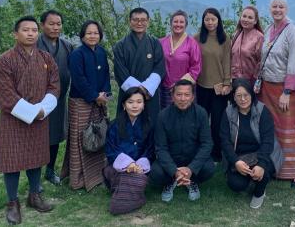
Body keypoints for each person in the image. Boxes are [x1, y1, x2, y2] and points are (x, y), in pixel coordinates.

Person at [0, 16, 60, 224]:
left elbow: (54, 85)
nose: (31, 33)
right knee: (11, 160)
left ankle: (34, 195)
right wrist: (30, 111)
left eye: (34, 30)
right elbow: (3, 92)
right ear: (16, 34)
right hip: (14, 117)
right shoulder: (5, 59)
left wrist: (43, 109)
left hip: (40, 115)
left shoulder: (46, 58)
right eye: (25, 30)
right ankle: (12, 202)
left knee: (36, 157)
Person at [257, 0, 295, 188]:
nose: (277, 10)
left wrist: (287, 91)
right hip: (267, 86)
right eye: (274, 6)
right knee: (271, 128)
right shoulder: (268, 29)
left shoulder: (292, 31)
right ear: (270, 9)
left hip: (285, 89)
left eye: (281, 7)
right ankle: (276, 166)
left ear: (287, 9)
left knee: (288, 129)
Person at [61, 20, 111, 191]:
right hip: (80, 102)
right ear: (82, 35)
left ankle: (97, 173)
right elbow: (79, 79)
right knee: (80, 137)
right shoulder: (77, 54)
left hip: (99, 101)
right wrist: (94, 96)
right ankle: (77, 178)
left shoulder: (102, 52)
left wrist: (104, 94)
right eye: (89, 33)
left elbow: (105, 75)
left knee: (98, 134)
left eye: (96, 33)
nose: (92, 36)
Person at [220, 79, 283, 209]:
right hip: (240, 157)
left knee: (263, 174)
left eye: (246, 95)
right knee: (236, 185)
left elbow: (268, 141)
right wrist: (236, 162)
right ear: (234, 97)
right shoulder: (228, 113)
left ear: (251, 94)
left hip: (262, 154)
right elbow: (224, 141)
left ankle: (259, 193)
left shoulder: (262, 111)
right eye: (238, 96)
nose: (243, 99)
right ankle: (250, 179)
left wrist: (261, 164)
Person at [150, 79, 215, 203]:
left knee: (209, 168)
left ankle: (191, 181)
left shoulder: (201, 113)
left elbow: (207, 144)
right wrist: (174, 171)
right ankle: (171, 181)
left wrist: (191, 168)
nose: (183, 98)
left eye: (187, 94)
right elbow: (161, 147)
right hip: (172, 158)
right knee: (155, 173)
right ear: (172, 96)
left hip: (193, 158)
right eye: (179, 94)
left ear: (192, 97)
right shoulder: (163, 116)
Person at [37, 9, 74, 186]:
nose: (55, 27)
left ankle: (50, 170)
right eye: (51, 24)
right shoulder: (35, 44)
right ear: (42, 25)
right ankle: (34, 171)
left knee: (55, 134)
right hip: (37, 100)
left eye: (58, 24)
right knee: (37, 135)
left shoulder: (67, 46)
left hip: (59, 99)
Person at [103, 87, 154, 215]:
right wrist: (127, 164)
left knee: (139, 177)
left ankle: (124, 194)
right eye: (130, 102)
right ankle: (135, 196)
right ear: (124, 105)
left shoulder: (149, 125)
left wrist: (138, 165)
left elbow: (150, 149)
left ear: (143, 105)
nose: (135, 106)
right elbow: (110, 150)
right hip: (118, 166)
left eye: (139, 102)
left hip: (139, 167)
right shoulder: (115, 125)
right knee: (119, 174)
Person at [113, 7, 165, 123]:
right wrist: (138, 92)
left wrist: (146, 89)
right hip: (129, 95)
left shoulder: (155, 43)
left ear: (148, 21)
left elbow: (159, 68)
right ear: (129, 21)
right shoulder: (120, 45)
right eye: (135, 20)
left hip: (149, 94)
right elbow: (120, 72)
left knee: (151, 125)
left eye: (143, 20)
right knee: (127, 127)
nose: (139, 23)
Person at [195, 7, 231, 161]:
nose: (210, 22)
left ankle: (217, 154)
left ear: (218, 21)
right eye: (207, 19)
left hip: (219, 88)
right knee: (201, 121)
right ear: (203, 21)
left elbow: (227, 61)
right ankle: (201, 152)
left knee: (217, 123)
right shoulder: (197, 38)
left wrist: (227, 82)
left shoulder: (224, 38)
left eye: (213, 19)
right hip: (201, 86)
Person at [159, 10, 202, 109]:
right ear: (171, 23)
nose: (178, 24)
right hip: (165, 89)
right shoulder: (161, 42)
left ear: (186, 25)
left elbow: (196, 68)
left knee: (186, 119)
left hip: (185, 90)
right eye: (175, 21)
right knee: (166, 118)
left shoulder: (192, 43)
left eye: (181, 22)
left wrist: (179, 85)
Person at [230, 5, 265, 85]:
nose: (246, 19)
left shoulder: (259, 37)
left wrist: (254, 78)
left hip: (250, 82)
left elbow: (261, 61)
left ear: (255, 21)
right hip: (234, 80)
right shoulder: (236, 34)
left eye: (250, 17)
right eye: (244, 16)